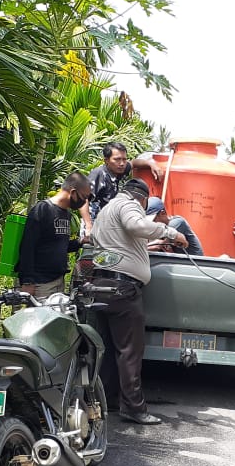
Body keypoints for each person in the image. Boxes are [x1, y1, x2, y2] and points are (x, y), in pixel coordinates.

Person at [76, 178, 186, 426]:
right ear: (143, 198)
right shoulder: (129, 204)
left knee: (107, 349)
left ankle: (109, 401)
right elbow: (136, 226)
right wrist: (172, 232)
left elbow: (122, 240)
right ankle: (134, 408)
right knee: (130, 352)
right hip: (123, 288)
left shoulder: (106, 211)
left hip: (102, 284)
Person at [16, 171, 91, 298]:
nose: (83, 203)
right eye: (83, 198)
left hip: (57, 281)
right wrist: (28, 281)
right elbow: (27, 247)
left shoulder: (66, 214)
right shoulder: (43, 210)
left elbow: (58, 245)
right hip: (39, 284)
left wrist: (80, 242)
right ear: (72, 192)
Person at [81, 141, 163, 231]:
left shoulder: (119, 169)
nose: (122, 163)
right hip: (99, 223)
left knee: (155, 203)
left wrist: (151, 164)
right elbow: (83, 200)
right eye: (117, 159)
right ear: (106, 160)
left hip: (115, 215)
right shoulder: (99, 174)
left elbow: (134, 163)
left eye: (124, 159)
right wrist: (89, 226)